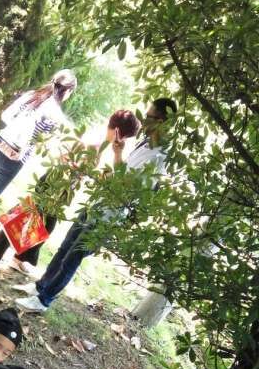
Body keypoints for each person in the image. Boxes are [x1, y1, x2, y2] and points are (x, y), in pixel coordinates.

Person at [17, 97, 177, 313]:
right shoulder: (146, 143)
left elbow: (127, 186)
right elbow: (124, 173)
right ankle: (41, 286)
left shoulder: (159, 157)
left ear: (163, 121)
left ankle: (43, 300)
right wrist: (115, 163)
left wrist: (117, 155)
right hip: (99, 203)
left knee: (72, 258)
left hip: (109, 216)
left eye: (149, 116)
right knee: (65, 247)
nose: (143, 120)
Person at [0, 110, 140, 276]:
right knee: (27, 216)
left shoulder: (106, 145)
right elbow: (70, 160)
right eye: (125, 136)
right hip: (56, 181)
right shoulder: (96, 140)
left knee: (44, 223)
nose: (124, 141)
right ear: (119, 132)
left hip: (64, 188)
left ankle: (22, 258)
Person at [0, 70, 77, 215]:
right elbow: (46, 145)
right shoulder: (55, 115)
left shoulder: (31, 95)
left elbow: (5, 116)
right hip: (13, 159)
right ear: (68, 91)